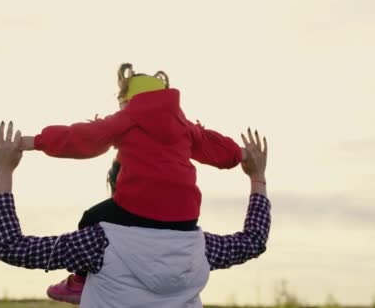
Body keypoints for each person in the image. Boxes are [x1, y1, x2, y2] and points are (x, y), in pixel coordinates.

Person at [18, 64, 248, 302]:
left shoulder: (127, 119)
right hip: (186, 216)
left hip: (138, 209)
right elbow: (215, 147)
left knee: (91, 218)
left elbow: (82, 139)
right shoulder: (184, 126)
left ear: (128, 100)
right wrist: (242, 154)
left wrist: (36, 141)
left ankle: (80, 280)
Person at [0, 121, 270, 307]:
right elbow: (254, 240)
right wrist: (257, 177)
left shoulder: (97, 244)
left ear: (116, 189)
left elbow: (9, 245)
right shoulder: (199, 249)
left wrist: (3, 171)